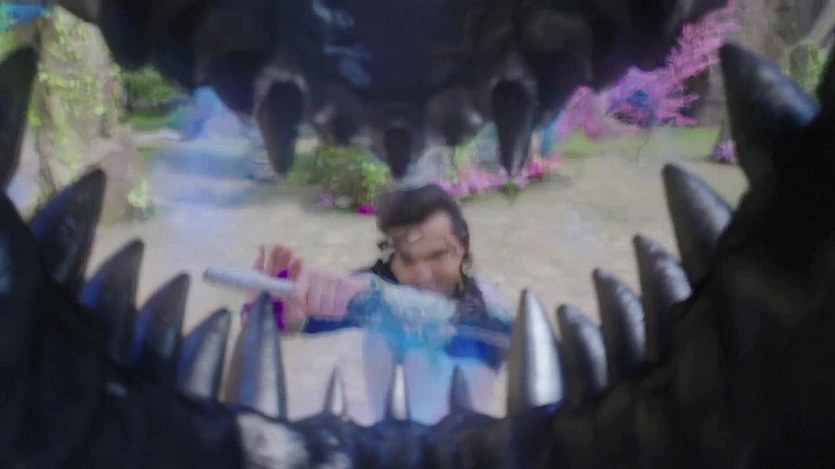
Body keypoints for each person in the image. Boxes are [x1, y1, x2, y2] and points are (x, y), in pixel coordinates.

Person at [244, 183, 513, 421]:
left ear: (462, 246)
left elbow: (477, 331)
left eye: (438, 255)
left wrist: (375, 300)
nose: (422, 275)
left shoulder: (488, 311)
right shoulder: (371, 288)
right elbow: (298, 320)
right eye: (407, 259)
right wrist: (272, 311)